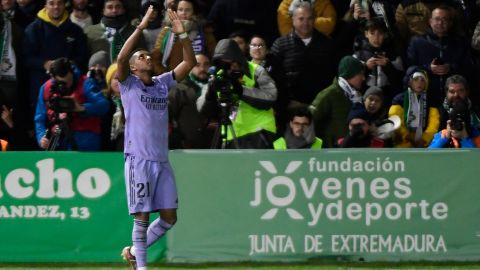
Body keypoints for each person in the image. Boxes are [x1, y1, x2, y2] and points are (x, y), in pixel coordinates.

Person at [116, 6, 196, 270]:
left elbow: (189, 64)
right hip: (139, 160)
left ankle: (131, 251)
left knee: (170, 218)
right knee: (140, 217)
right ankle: (141, 267)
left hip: (162, 161)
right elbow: (121, 57)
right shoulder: (128, 84)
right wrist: (141, 27)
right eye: (141, 56)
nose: (146, 56)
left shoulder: (162, 83)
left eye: (147, 54)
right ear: (133, 67)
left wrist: (183, 35)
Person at [270, 2, 337, 130]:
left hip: (320, 111)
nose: (305, 23)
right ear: (293, 20)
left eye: (310, 18)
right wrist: (286, 102)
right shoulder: (280, 45)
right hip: (289, 111)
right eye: (301, 18)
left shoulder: (327, 44)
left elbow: (334, 78)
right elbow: (273, 80)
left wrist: (321, 103)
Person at [200, 38, 277, 149]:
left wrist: (241, 90)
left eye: (231, 62)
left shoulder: (256, 70)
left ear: (239, 59)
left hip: (259, 132)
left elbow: (271, 97)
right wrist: (210, 95)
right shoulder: (217, 76)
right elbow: (201, 109)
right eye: (224, 63)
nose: (229, 67)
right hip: (232, 134)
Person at [23, 0, 88, 112]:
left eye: (59, 3)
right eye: (52, 3)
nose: (56, 7)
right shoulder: (33, 30)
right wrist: (44, 64)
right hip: (40, 88)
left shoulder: (76, 31)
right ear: (45, 6)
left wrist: (69, 66)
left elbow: (83, 57)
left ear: (65, 5)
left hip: (71, 88)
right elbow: (26, 58)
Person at [34, 57, 110, 151]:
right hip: (57, 139)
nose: (68, 84)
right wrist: (42, 137)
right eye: (63, 83)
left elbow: (104, 105)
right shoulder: (46, 88)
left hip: (85, 140)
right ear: (53, 77)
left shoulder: (86, 83)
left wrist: (81, 108)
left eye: (70, 80)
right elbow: (39, 119)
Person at [407, 6, 474, 105]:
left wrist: (450, 68)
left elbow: (469, 68)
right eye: (437, 19)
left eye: (445, 19)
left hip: (454, 98)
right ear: (430, 21)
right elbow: (409, 69)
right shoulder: (417, 42)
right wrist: (428, 68)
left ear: (451, 23)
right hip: (425, 97)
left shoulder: (460, 43)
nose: (440, 23)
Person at [309, 55, 365, 148]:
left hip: (352, 150)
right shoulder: (328, 94)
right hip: (332, 154)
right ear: (350, 74)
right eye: (361, 74)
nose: (363, 78)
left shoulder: (357, 96)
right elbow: (310, 121)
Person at [152, 0, 215, 75]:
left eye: (187, 10)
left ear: (193, 12)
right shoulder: (166, 32)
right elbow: (155, 58)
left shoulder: (204, 31)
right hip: (173, 79)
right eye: (180, 9)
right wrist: (164, 75)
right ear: (176, 11)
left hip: (199, 78)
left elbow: (213, 55)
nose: (183, 13)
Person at [169, 53, 214, 149]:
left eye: (206, 64)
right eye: (197, 65)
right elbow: (167, 115)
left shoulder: (216, 88)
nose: (202, 68)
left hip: (213, 144)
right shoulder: (179, 89)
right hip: (187, 147)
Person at [353, 18, 403, 105]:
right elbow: (352, 82)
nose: (376, 37)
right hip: (364, 97)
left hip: (387, 98)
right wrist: (366, 68)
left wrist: (388, 66)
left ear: (385, 35)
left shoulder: (393, 55)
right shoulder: (359, 55)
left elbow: (400, 81)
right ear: (366, 34)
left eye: (380, 33)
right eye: (372, 33)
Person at [388, 66, 440, 148]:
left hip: (424, 144)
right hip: (402, 144)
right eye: (416, 80)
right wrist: (407, 136)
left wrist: (424, 139)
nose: (419, 83)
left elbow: (434, 123)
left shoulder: (431, 101)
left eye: (423, 80)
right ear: (409, 82)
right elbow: (395, 119)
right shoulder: (399, 100)